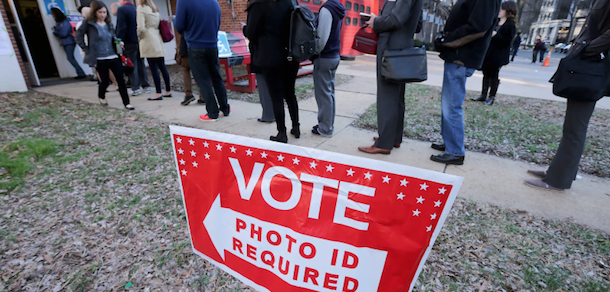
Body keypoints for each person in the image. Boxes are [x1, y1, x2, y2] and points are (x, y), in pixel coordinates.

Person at [525, 0, 610, 191]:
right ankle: (560, 172)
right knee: (573, 127)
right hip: (588, 68)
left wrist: (588, 50)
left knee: (575, 129)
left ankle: (557, 180)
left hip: (591, 69)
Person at [429, 0, 501, 165]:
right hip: (458, 55)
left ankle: (454, 151)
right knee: (449, 104)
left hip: (461, 56)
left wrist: (446, 40)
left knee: (452, 105)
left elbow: (478, 27)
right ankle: (450, 143)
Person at [357, 0, 423, 154]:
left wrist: (376, 21)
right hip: (401, 47)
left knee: (387, 96)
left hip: (390, 49)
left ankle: (384, 142)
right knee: (397, 96)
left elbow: (396, 19)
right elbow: (417, 24)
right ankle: (393, 137)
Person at [244, 0, 299, 142]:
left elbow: (251, 33)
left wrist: (245, 29)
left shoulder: (259, 4)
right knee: (290, 93)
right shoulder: (291, 2)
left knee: (276, 97)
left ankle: (282, 132)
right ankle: (296, 127)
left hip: (270, 57)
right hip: (291, 55)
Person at [175, 0, 230, 121]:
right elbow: (218, 22)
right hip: (212, 44)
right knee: (216, 77)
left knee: (203, 80)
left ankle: (212, 112)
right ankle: (225, 108)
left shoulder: (184, 2)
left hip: (195, 45)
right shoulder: (214, 2)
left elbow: (178, 25)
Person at [75, 0, 134, 110]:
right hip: (99, 58)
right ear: (94, 12)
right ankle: (101, 96)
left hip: (113, 55)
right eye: (100, 12)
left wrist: (119, 42)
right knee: (105, 81)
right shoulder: (88, 24)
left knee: (120, 80)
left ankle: (127, 103)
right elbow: (78, 36)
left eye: (104, 12)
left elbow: (113, 37)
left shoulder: (108, 24)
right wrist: (86, 50)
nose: (103, 15)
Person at [471, 1, 517, 105]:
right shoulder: (495, 22)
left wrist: (496, 35)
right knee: (485, 74)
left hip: (498, 55)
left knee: (494, 75)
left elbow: (507, 41)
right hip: (488, 53)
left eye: (502, 9)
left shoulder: (510, 25)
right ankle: (483, 94)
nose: (499, 11)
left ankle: (491, 97)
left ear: (508, 10)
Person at [311, 0, 345, 137]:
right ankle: (326, 124)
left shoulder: (326, 9)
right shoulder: (337, 8)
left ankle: (325, 128)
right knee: (329, 94)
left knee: (323, 95)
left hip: (324, 58)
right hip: (333, 56)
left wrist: (314, 52)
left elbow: (322, 38)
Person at [137, 0, 171, 100]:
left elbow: (141, 27)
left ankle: (158, 92)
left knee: (153, 67)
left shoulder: (141, 8)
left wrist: (139, 36)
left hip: (148, 39)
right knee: (162, 66)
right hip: (157, 38)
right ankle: (168, 90)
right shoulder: (155, 9)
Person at [117, 0, 150, 96]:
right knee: (141, 63)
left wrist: (119, 39)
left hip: (129, 41)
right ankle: (145, 86)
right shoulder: (136, 9)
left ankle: (135, 87)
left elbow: (121, 26)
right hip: (139, 40)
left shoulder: (122, 9)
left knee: (131, 64)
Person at [51, 7, 87, 79]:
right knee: (71, 58)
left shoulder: (64, 22)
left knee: (70, 58)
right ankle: (80, 73)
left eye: (53, 13)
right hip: (67, 42)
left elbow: (64, 34)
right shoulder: (61, 22)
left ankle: (81, 73)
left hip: (69, 42)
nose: (52, 15)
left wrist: (56, 32)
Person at [176, 33, 203, 105]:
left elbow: (179, 26)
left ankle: (188, 94)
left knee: (186, 69)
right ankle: (203, 96)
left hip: (186, 43)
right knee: (201, 71)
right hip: (200, 44)